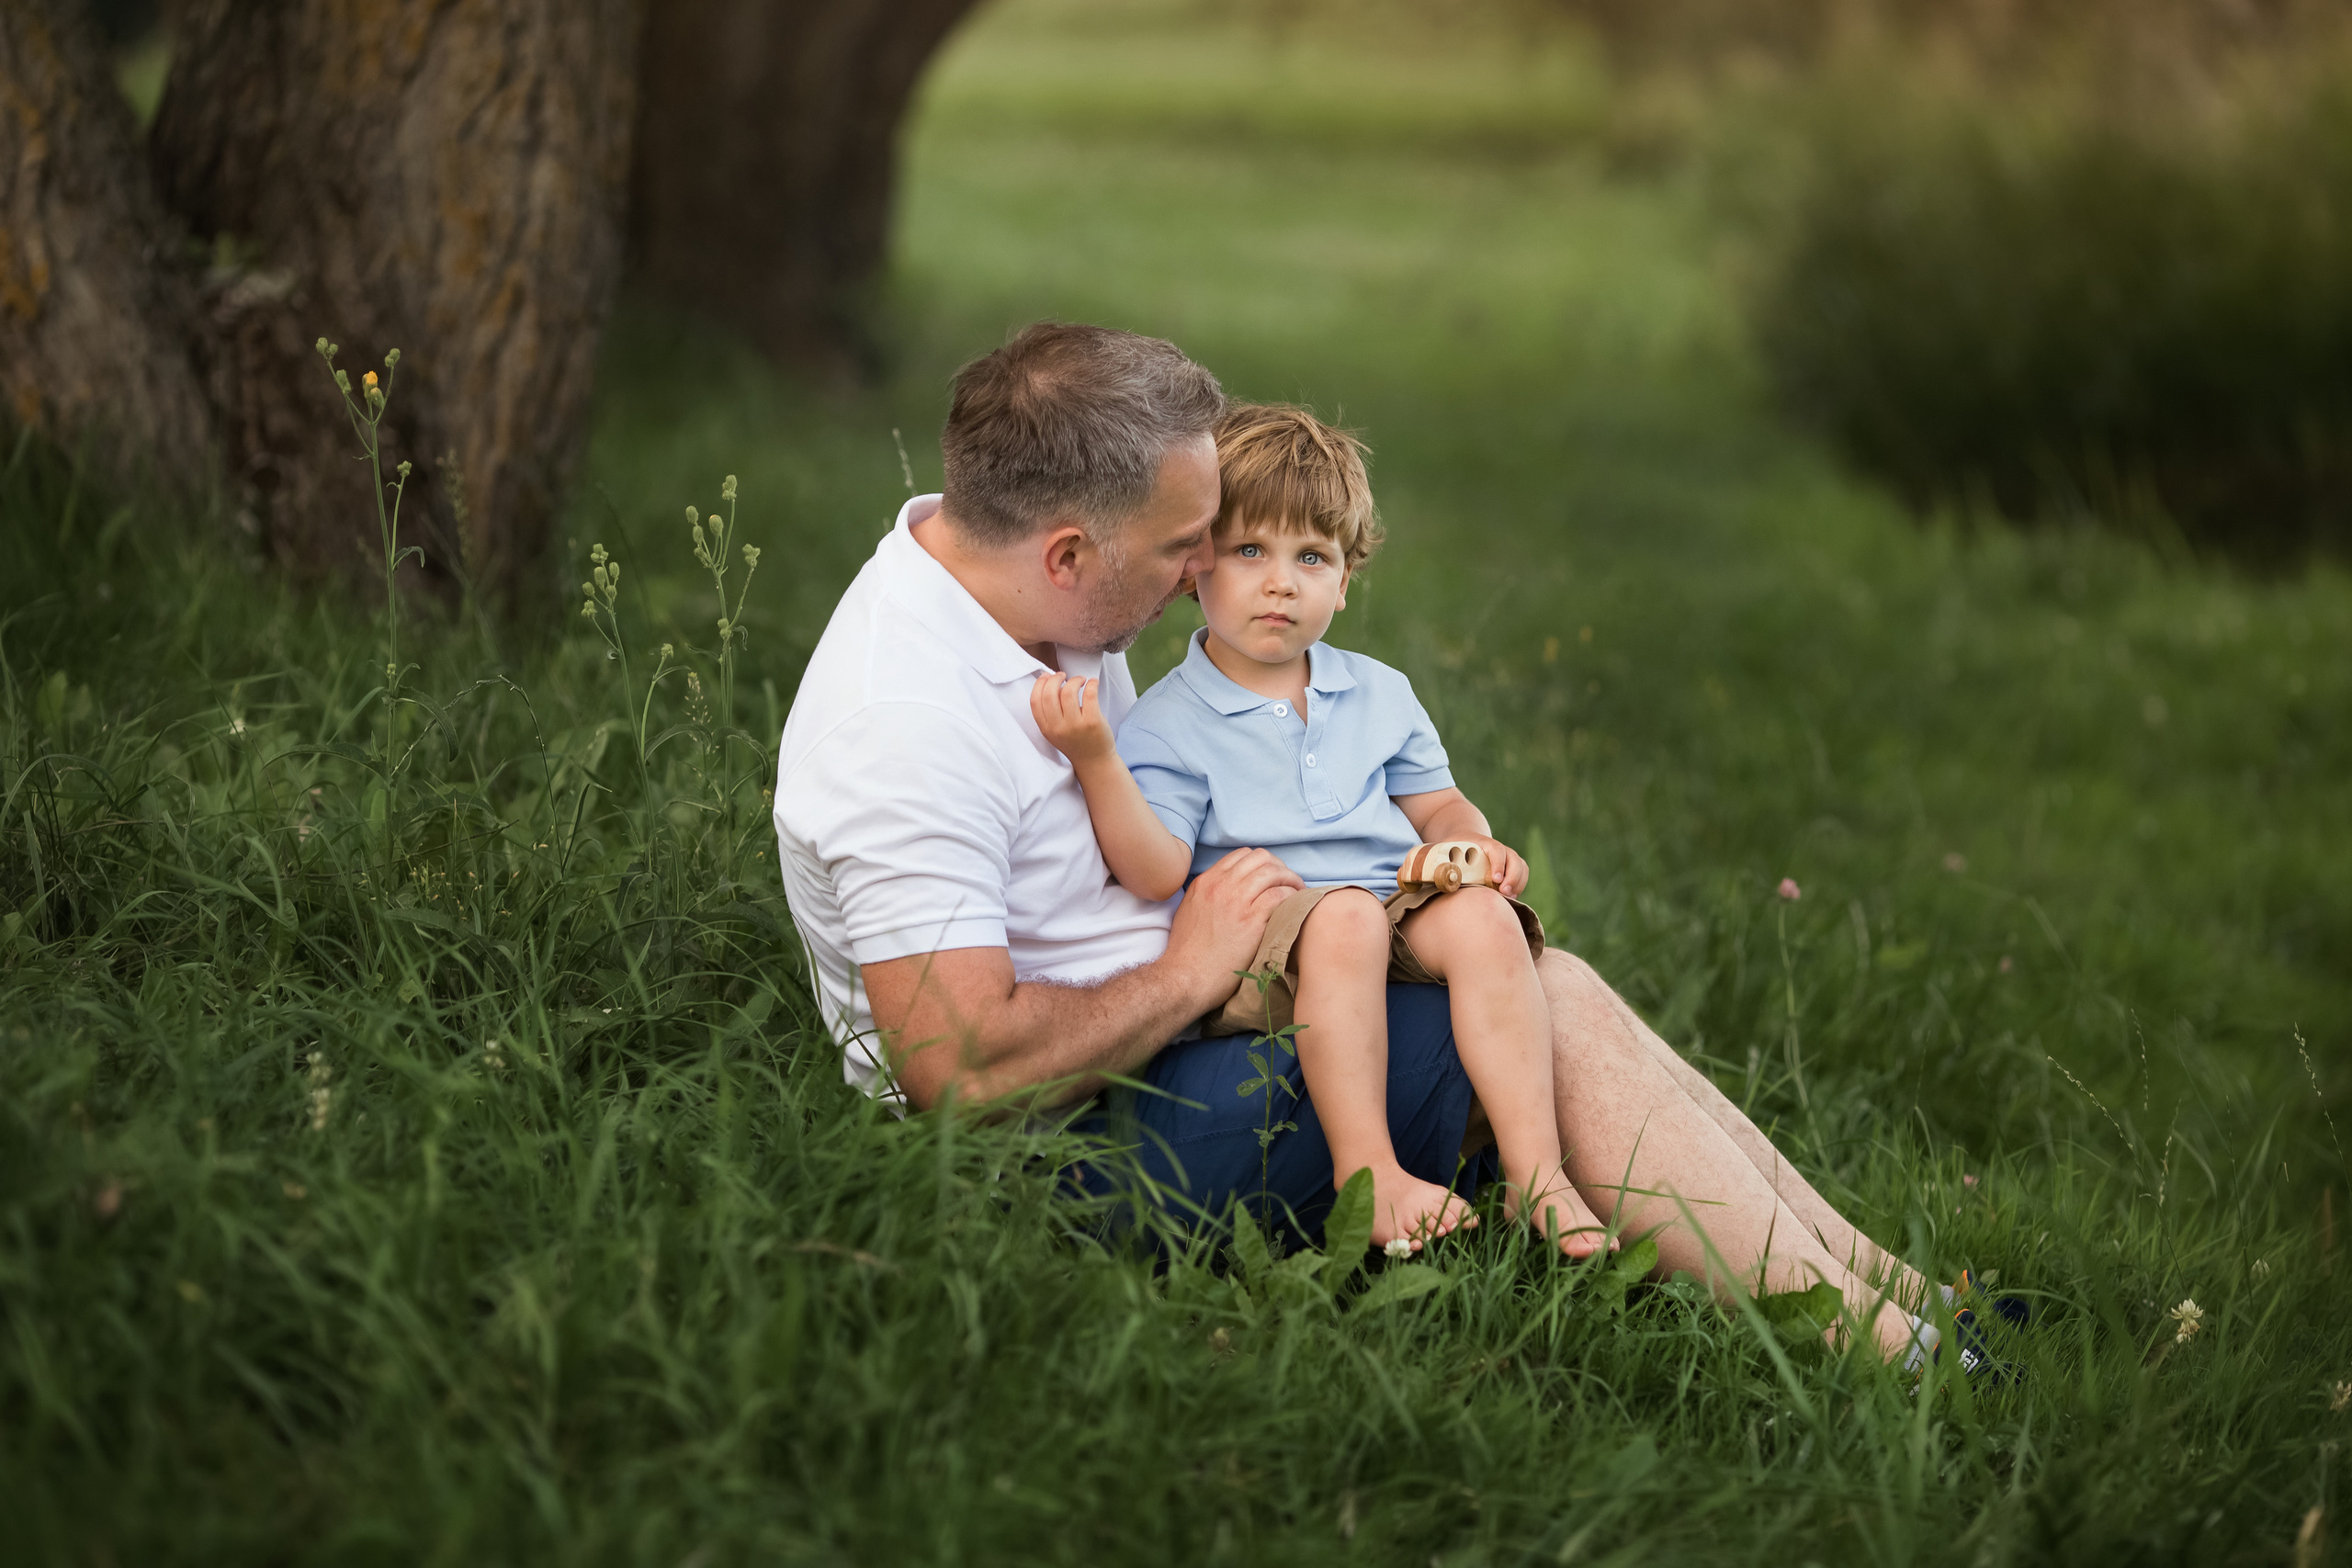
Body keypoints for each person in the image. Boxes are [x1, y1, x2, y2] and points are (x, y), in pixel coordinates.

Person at [773, 321, 1956, 1368]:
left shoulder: (1032, 592)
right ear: (1070, 552)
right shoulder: (905, 727)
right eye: (1190, 547)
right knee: (1542, 1016)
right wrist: (1190, 970)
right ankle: (1900, 1359)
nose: (1206, 576)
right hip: (1057, 1160)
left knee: (1541, 977)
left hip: (1193, 1020)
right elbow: (959, 1073)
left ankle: (1898, 1295)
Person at [1028, 402, 1611, 1258]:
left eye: (1312, 557)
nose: (1281, 581)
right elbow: (1155, 870)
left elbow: (1438, 803)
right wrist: (1096, 760)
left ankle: (1537, 1173)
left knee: (1486, 918)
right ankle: (1366, 1174)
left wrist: (1467, 843)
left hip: (1389, 901)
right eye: (1250, 551)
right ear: (1196, 569)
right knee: (1342, 918)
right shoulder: (1169, 722)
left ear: (1345, 582)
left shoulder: (1377, 691)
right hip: (1275, 937)